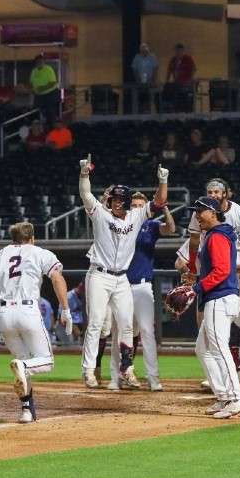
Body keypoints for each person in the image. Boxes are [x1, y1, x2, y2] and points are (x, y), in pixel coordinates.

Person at [0, 222, 71, 423]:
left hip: (4, 314)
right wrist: (65, 308)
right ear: (32, 238)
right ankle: (23, 368)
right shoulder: (40, 252)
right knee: (45, 361)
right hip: (27, 311)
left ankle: (26, 411)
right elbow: (57, 279)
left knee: (23, 362)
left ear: (13, 239)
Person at [77, 155, 168, 388]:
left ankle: (127, 367)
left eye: (121, 199)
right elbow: (86, 195)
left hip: (121, 279)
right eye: (114, 199)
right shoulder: (100, 213)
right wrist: (84, 174)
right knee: (97, 322)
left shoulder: (137, 216)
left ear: (128, 201)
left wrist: (163, 181)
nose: (117, 203)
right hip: (99, 274)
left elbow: (159, 202)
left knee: (127, 324)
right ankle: (88, 370)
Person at [188, 196, 240, 419]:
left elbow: (222, 271)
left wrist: (196, 287)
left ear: (213, 212)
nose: (196, 215)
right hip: (220, 297)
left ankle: (236, 397)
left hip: (220, 298)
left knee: (219, 348)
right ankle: (224, 395)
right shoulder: (217, 234)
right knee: (202, 348)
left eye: (200, 211)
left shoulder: (218, 235)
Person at [120, 193, 176, 391]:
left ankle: (153, 378)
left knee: (147, 332)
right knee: (122, 332)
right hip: (121, 285)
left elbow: (170, 229)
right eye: (133, 205)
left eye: (140, 205)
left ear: (147, 207)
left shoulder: (150, 225)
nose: (136, 208)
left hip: (143, 286)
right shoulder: (122, 225)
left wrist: (165, 208)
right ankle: (120, 375)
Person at [30, 53, 60, 126]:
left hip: (50, 93)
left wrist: (42, 88)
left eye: (41, 61)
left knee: (50, 110)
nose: (39, 63)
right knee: (35, 111)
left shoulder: (48, 69)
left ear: (43, 62)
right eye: (38, 61)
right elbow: (31, 82)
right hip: (39, 95)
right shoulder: (34, 71)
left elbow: (52, 83)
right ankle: (38, 126)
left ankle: (51, 125)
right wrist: (32, 89)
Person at [165, 43, 196, 112]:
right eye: (177, 51)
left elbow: (194, 69)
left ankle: (188, 111)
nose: (178, 53)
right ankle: (176, 111)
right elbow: (169, 72)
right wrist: (166, 82)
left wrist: (190, 79)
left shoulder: (188, 58)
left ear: (183, 51)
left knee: (187, 97)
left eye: (180, 51)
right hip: (177, 84)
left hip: (186, 84)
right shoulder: (173, 60)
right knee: (171, 95)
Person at [131, 43, 158, 113]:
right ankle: (138, 114)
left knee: (150, 99)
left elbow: (155, 69)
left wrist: (153, 80)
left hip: (150, 82)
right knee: (139, 99)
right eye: (142, 51)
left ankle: (151, 113)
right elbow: (134, 69)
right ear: (140, 51)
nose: (144, 52)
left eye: (145, 51)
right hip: (140, 82)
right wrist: (138, 80)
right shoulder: (137, 57)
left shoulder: (152, 57)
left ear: (148, 50)